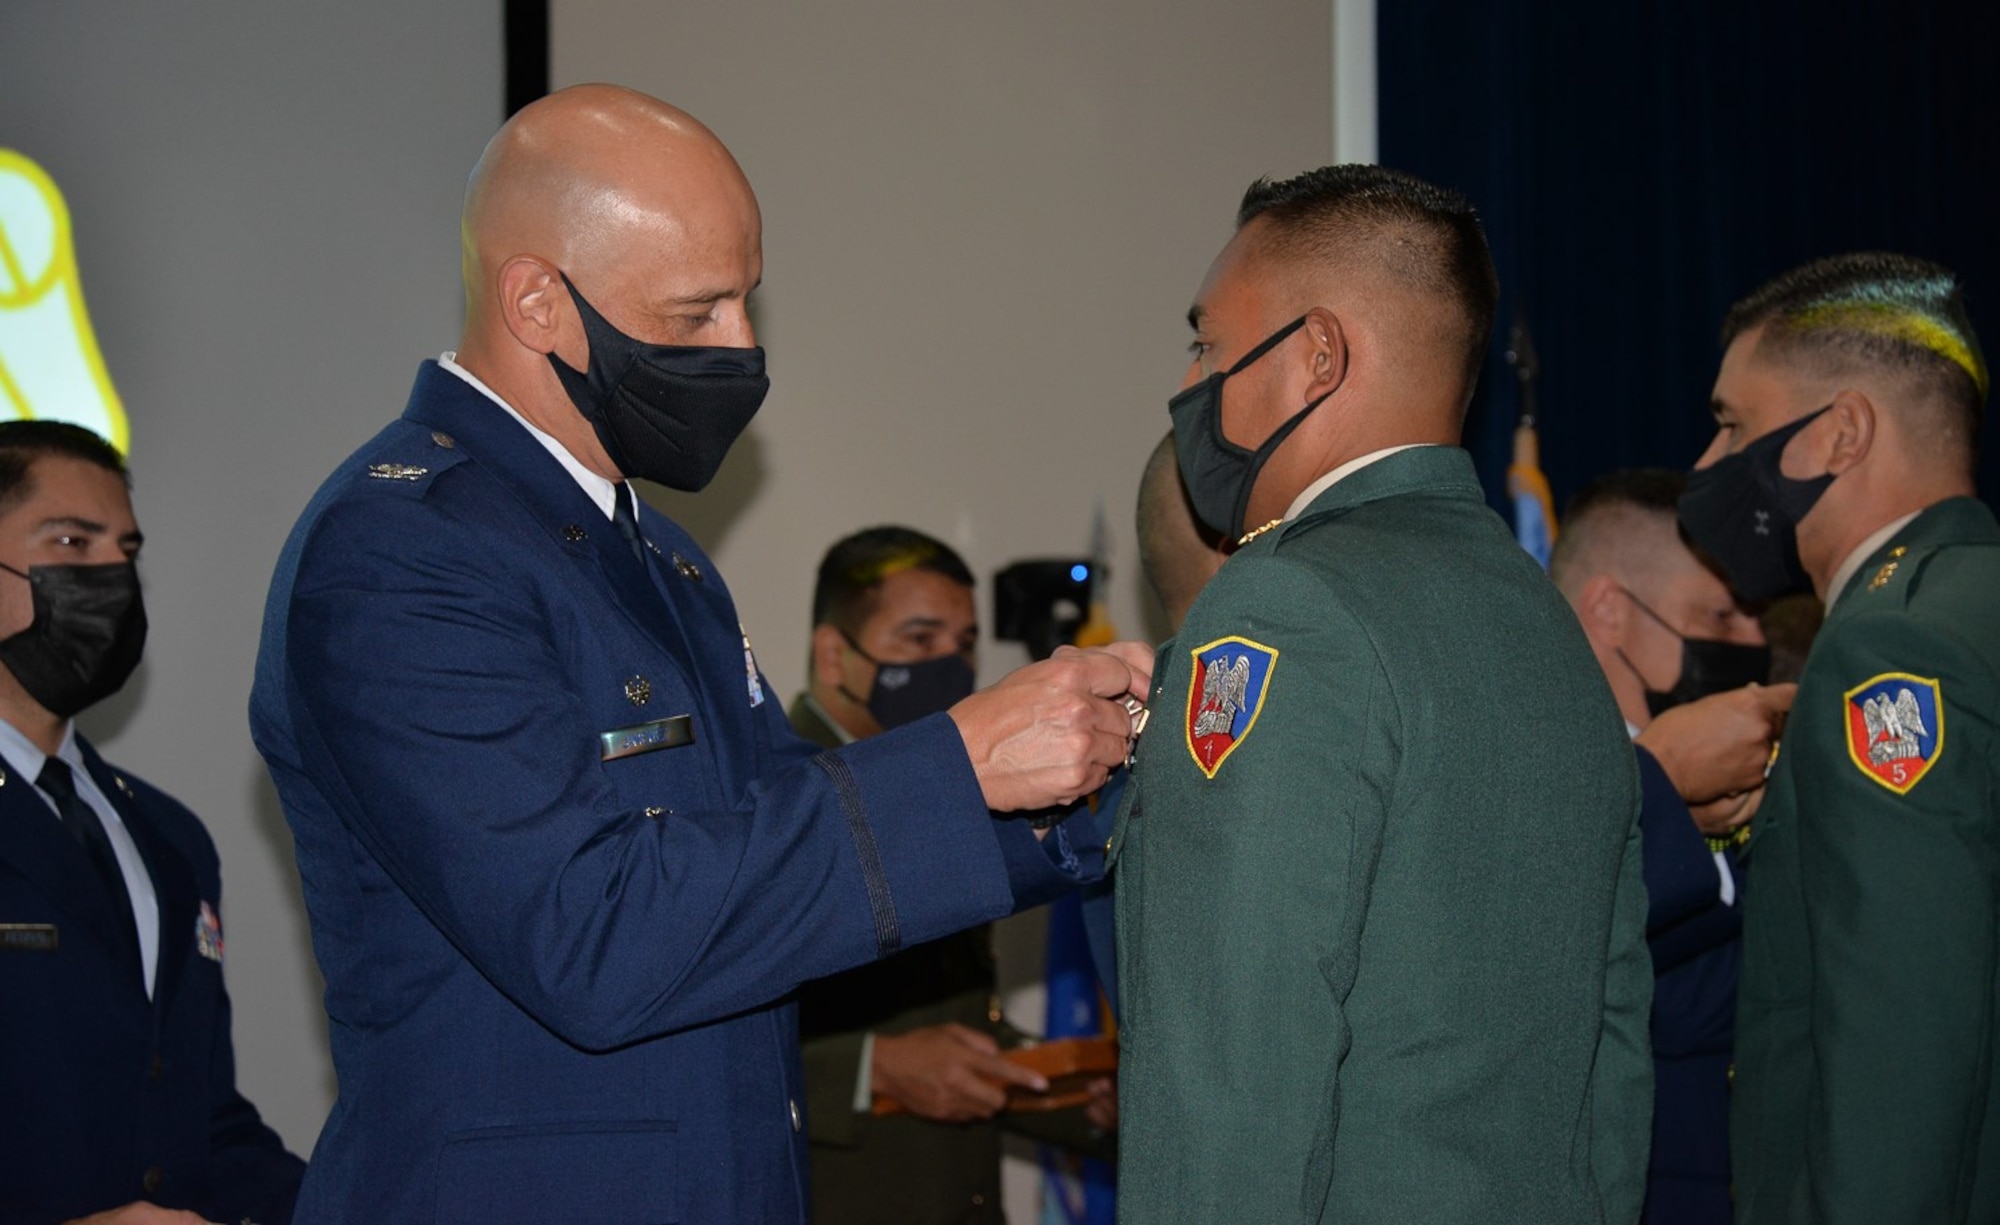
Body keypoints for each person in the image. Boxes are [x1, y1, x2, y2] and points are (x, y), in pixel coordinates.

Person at [247, 85, 1149, 1225]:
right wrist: (960, 761)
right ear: (536, 300)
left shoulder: (656, 555)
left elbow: (773, 843)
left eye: (746, 302)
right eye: (695, 314)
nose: (744, 349)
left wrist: (1093, 786)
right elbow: (594, 931)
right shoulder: (402, 550)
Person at [1109, 164, 1651, 1222]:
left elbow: (1232, 1077)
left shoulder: (1281, 605)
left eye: (1208, 345)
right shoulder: (1534, 612)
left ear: (1314, 354)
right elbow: (1611, 1041)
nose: (1191, 382)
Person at [1677, 252, 1999, 1223]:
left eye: (1730, 423)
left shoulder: (1885, 653)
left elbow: (1893, 1052)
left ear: (1841, 432)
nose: (1705, 464)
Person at [0, 421, 304, 1225]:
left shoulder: (168, 837)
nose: (111, 577)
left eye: (127, 553)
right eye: (71, 542)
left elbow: (205, 1123)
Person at [790, 526, 1111, 1225]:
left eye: (963, 644)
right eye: (919, 639)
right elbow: (702, 1045)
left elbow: (955, 1023)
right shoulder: (769, 798)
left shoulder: (952, 786)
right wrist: (875, 1066)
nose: (951, 665)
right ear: (833, 654)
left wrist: (1074, 1091)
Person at [1551, 467, 1795, 1224]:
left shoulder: (1770, 776)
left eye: (1757, 619)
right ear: (1609, 610)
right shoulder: (1534, 785)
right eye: (1722, 617)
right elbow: (1671, 997)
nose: (1754, 644)